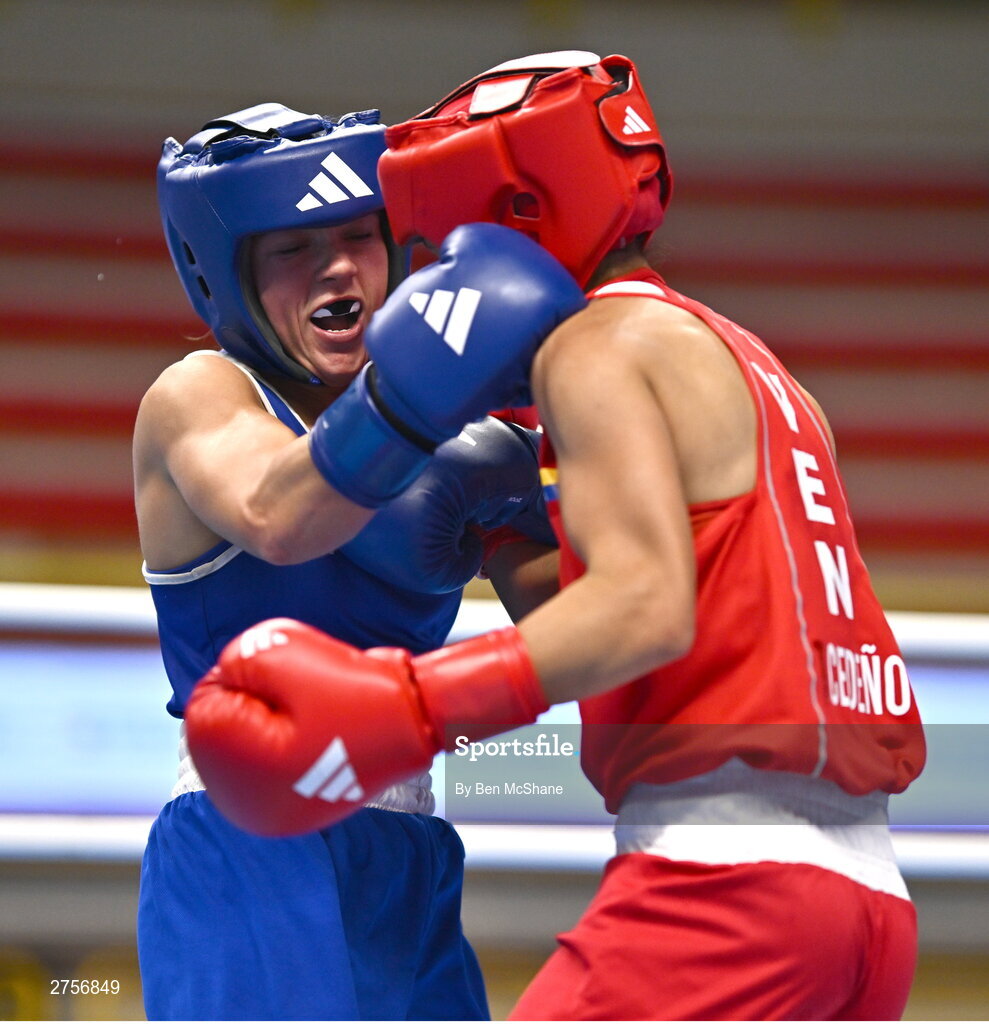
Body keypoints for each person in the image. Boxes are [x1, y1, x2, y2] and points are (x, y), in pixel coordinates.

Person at [185, 54, 927, 1021]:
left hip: (721, 886)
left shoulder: (593, 348)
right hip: (870, 902)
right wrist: (499, 525)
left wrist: (407, 704)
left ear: (512, 198)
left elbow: (642, 607)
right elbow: (674, 609)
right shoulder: (758, 368)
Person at [134, 101, 583, 1021]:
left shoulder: (464, 438)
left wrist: (609, 483)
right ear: (230, 276)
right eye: (291, 249)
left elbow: (578, 622)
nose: (337, 269)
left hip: (411, 851)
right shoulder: (201, 394)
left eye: (355, 237)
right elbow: (277, 514)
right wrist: (419, 403)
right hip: (253, 841)